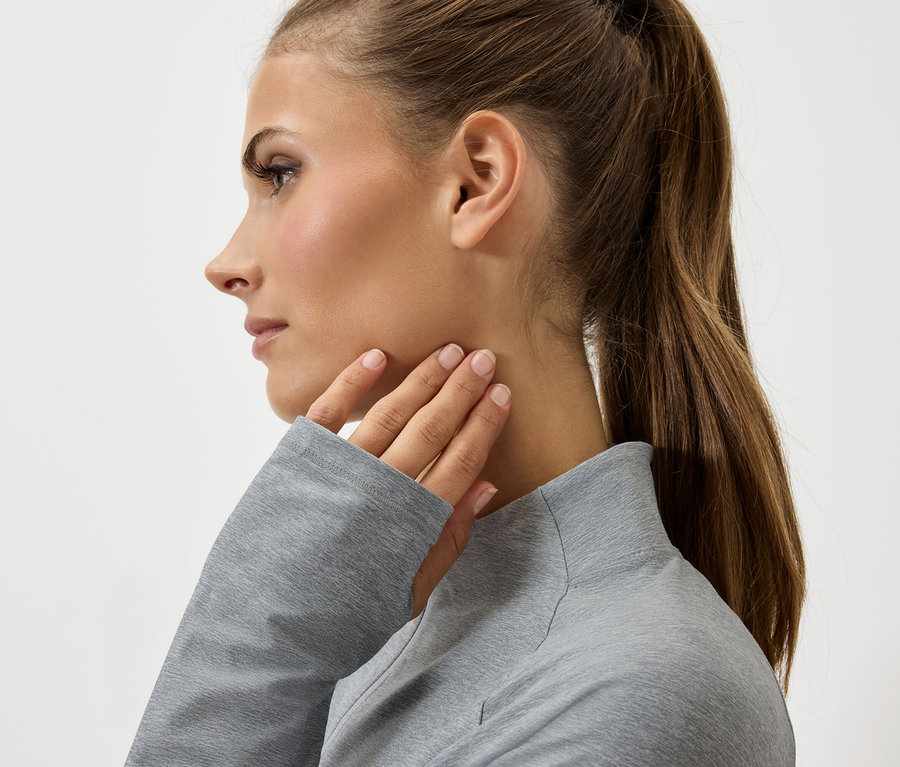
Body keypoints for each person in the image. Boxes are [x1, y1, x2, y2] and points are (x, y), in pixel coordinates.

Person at [125, 0, 805, 764]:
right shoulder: (378, 635)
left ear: (476, 182)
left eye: (281, 173)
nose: (225, 263)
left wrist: (258, 626)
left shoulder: (641, 689)